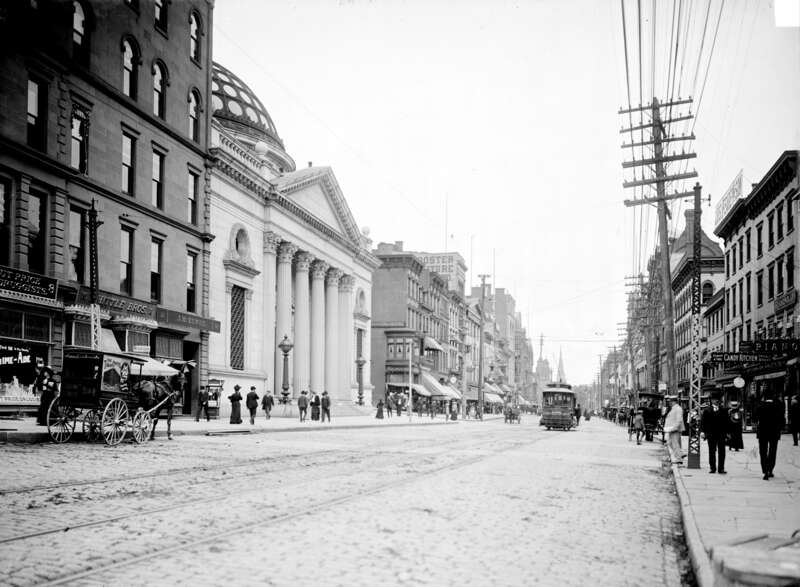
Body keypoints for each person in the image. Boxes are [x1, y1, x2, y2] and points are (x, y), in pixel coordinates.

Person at [755, 390, 785, 480]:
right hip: (774, 432)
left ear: (764, 397)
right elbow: (782, 420)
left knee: (763, 451)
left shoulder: (760, 406)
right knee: (772, 451)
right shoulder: (778, 406)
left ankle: (765, 470)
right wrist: (779, 429)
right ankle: (770, 469)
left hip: (762, 432)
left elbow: (755, 417)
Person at [701, 391, 729, 474]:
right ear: (711, 400)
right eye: (714, 399)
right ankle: (712, 468)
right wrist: (702, 431)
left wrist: (727, 432)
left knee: (722, 451)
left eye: (717, 399)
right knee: (712, 451)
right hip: (711, 434)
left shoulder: (724, 410)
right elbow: (703, 422)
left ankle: (721, 468)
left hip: (721, 434)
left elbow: (726, 422)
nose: (716, 401)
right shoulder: (707, 410)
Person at [663, 396, 685, 465]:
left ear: (673, 401)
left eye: (670, 401)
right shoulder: (674, 408)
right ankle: (680, 454)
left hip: (675, 429)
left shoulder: (678, 409)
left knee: (675, 444)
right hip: (672, 429)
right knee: (670, 443)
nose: (669, 403)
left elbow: (679, 420)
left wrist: (674, 428)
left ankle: (679, 458)